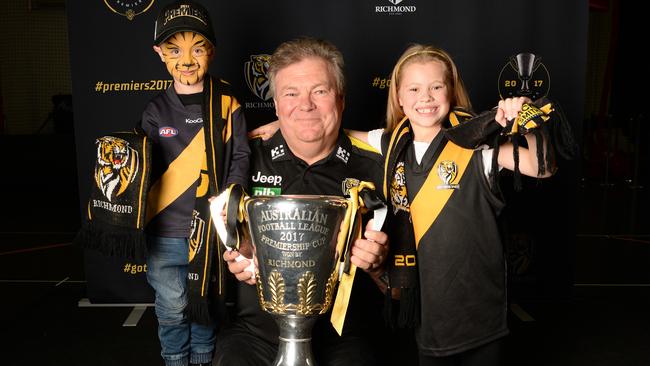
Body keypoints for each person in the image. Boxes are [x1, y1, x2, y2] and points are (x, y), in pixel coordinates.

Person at [251, 44, 556, 366]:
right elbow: (330, 131)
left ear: (451, 92)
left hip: (479, 308)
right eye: (414, 88)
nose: (425, 97)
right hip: (429, 308)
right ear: (398, 97)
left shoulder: (478, 147)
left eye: (436, 87)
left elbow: (543, 167)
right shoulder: (392, 143)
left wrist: (524, 119)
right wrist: (283, 126)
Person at [212, 37, 390, 366]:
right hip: (256, 336)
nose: (305, 105)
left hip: (343, 338)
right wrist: (238, 254)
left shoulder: (376, 169)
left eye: (319, 91)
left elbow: (403, 294)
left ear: (341, 99)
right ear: (277, 104)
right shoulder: (243, 162)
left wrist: (379, 267)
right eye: (291, 93)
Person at [140, 1, 250, 365]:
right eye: (174, 50)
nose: (186, 60)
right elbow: (140, 172)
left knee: (206, 303)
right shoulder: (155, 111)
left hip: (210, 231)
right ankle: (175, 358)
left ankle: (202, 357)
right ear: (159, 53)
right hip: (165, 234)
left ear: (211, 52)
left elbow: (239, 156)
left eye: (197, 48)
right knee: (171, 307)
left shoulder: (228, 102)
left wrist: (226, 208)